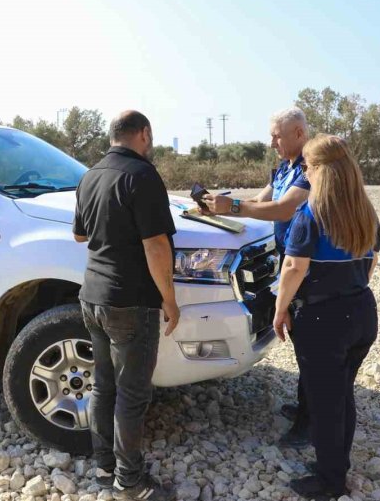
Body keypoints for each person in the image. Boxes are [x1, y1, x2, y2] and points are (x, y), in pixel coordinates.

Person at [73, 110, 179, 501]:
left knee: (103, 385)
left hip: (92, 297)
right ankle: (130, 483)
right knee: (132, 394)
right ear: (144, 135)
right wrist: (170, 300)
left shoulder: (89, 175)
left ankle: (104, 468)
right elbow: (156, 245)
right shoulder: (143, 176)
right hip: (130, 302)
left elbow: (80, 235)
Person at [272, 134, 380, 500]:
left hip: (323, 320)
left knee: (324, 402)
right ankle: (336, 465)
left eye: (306, 164)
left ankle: (330, 481)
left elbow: (293, 267)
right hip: (362, 311)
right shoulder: (365, 210)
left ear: (319, 169)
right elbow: (371, 265)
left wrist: (280, 308)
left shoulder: (310, 213)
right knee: (342, 395)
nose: (303, 169)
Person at [201, 106, 312, 448]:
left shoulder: (311, 168)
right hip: (288, 261)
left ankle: (310, 423)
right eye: (272, 135)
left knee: (312, 344)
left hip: (308, 265)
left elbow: (283, 209)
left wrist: (233, 208)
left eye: (278, 135)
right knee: (302, 342)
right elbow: (259, 201)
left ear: (298, 134)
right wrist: (220, 204)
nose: (272, 142)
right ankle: (307, 407)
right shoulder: (282, 169)